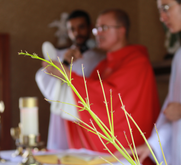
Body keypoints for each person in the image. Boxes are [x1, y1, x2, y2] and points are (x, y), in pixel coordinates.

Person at [43, 9, 160, 165]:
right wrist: (66, 65)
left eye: (104, 28)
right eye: (96, 29)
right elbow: (81, 102)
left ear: (122, 30)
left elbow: (109, 100)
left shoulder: (137, 61)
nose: (97, 33)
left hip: (129, 152)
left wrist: (68, 75)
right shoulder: (103, 64)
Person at [36, 10, 105, 150]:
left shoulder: (101, 59)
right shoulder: (61, 55)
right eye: (72, 29)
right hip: (62, 116)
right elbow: (42, 78)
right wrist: (65, 62)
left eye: (81, 27)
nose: (77, 33)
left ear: (90, 27)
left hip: (86, 116)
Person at [130, 0, 181, 164]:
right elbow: (173, 112)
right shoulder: (179, 56)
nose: (161, 17)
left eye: (166, 8)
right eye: (160, 10)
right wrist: (152, 145)